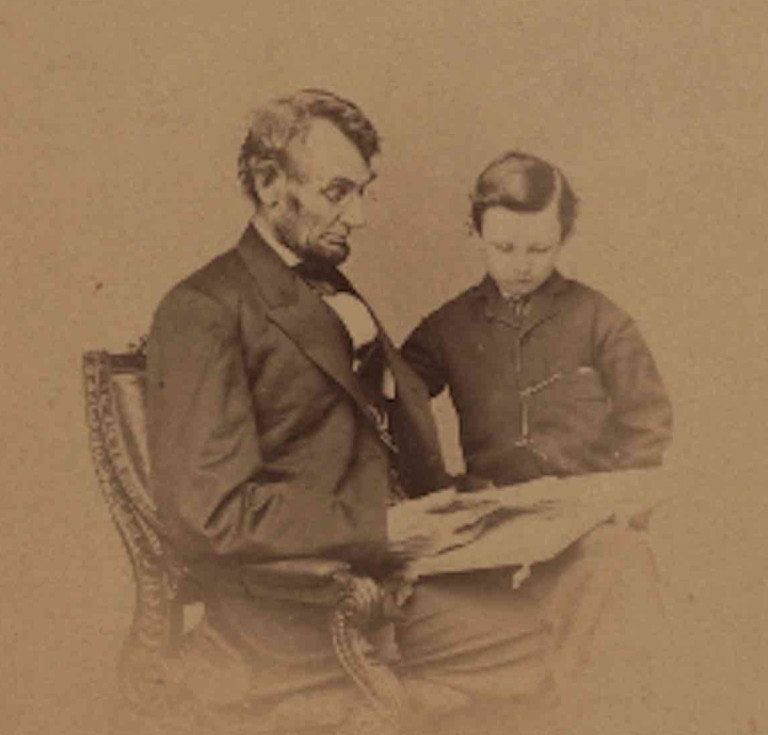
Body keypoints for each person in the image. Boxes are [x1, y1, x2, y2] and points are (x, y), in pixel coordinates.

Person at [145, 92, 565, 731]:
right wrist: (382, 528)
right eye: (337, 192)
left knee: (598, 567)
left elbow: (375, 441)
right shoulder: (204, 308)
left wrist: (480, 507)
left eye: (363, 191)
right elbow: (211, 510)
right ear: (266, 184)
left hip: (394, 573)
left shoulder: (327, 284)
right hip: (304, 610)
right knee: (562, 628)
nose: (360, 216)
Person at [401, 151, 673, 490]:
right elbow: (391, 402)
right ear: (474, 233)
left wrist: (621, 502)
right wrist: (435, 486)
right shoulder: (446, 327)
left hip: (587, 514)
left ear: (564, 237)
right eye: (504, 247)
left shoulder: (603, 320)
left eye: (539, 249)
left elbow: (648, 423)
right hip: (490, 514)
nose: (521, 265)